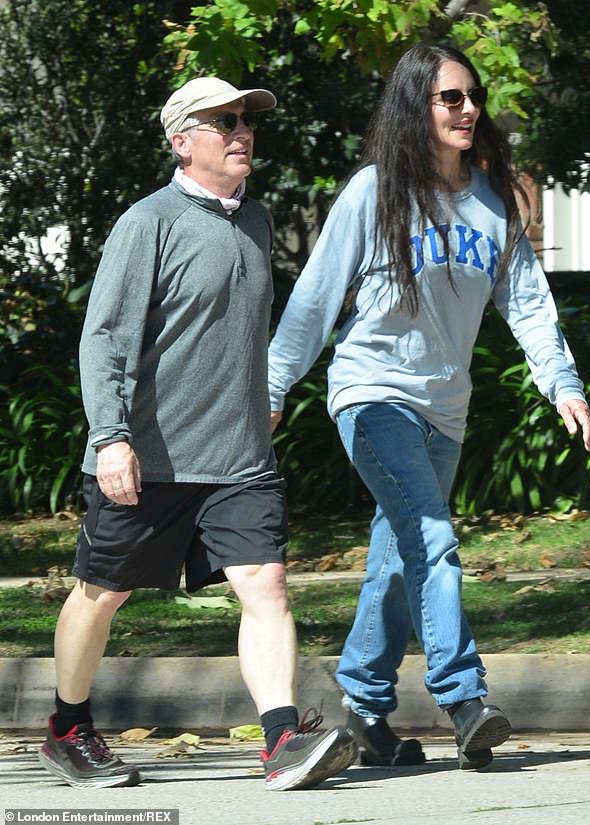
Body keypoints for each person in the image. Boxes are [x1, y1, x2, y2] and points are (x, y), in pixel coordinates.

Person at [268, 44, 590, 770]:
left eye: (472, 97)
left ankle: (360, 710)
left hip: (445, 409)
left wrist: (562, 383)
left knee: (397, 558)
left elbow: (527, 303)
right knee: (433, 537)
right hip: (372, 393)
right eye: (451, 98)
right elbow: (316, 298)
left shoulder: (490, 198)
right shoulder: (374, 191)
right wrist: (271, 388)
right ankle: (464, 695)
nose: (469, 109)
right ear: (416, 106)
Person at [38, 76, 356, 792]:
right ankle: (67, 727)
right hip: (146, 456)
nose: (243, 132)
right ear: (182, 141)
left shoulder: (258, 220)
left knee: (267, 584)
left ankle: (281, 740)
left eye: (246, 121)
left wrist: (260, 394)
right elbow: (105, 338)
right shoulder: (148, 222)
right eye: (225, 122)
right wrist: (111, 436)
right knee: (102, 591)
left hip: (240, 458)